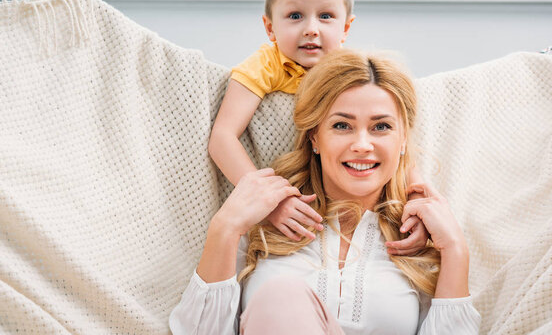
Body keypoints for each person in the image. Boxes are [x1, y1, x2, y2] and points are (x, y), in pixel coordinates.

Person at [171, 49, 481, 334]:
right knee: (282, 297)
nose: (362, 144)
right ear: (315, 138)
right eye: (342, 126)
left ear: (402, 142)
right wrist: (225, 227)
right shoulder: (260, 224)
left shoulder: (424, 237)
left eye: (381, 127)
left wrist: (455, 249)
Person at [208, 0, 427, 253]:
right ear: (270, 27)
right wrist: (269, 202)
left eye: (325, 16)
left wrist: (418, 196)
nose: (311, 28)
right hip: (292, 190)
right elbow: (222, 137)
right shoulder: (265, 65)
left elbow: (398, 139)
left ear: (346, 28)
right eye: (295, 16)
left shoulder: (350, 70)